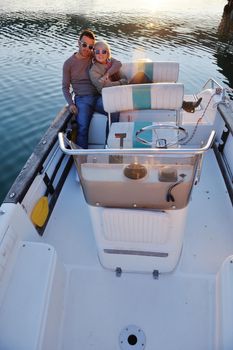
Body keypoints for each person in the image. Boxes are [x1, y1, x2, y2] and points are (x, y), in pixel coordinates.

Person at [89, 40, 202, 113]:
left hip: (123, 89)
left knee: (142, 76)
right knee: (147, 83)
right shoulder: (93, 70)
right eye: (97, 51)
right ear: (94, 53)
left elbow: (124, 78)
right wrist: (120, 83)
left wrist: (111, 80)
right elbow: (103, 89)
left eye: (103, 51)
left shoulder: (111, 62)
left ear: (108, 53)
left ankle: (181, 103)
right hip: (113, 97)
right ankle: (184, 104)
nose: (100, 54)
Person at [62, 29, 122, 148]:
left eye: (90, 46)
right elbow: (65, 87)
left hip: (99, 96)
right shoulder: (68, 63)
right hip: (82, 99)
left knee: (114, 111)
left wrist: (107, 75)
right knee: (82, 127)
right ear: (78, 43)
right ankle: (82, 159)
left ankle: (108, 146)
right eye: (84, 45)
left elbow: (117, 63)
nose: (87, 49)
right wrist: (71, 104)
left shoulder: (94, 55)